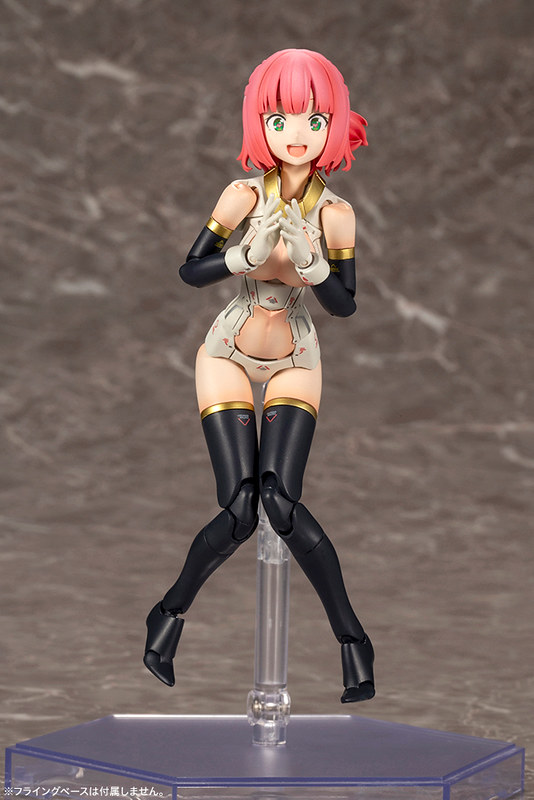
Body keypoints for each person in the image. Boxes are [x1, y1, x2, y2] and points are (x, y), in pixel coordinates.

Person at [144, 49, 375, 703]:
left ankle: (353, 641)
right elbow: (190, 270)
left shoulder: (336, 214)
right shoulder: (242, 195)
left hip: (296, 353)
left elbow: (344, 305)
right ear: (259, 124)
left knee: (280, 498)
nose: (296, 133)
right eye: (279, 119)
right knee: (241, 507)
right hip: (229, 348)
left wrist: (318, 266)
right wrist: (237, 257)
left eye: (313, 119)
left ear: (333, 125)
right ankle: (168, 614)